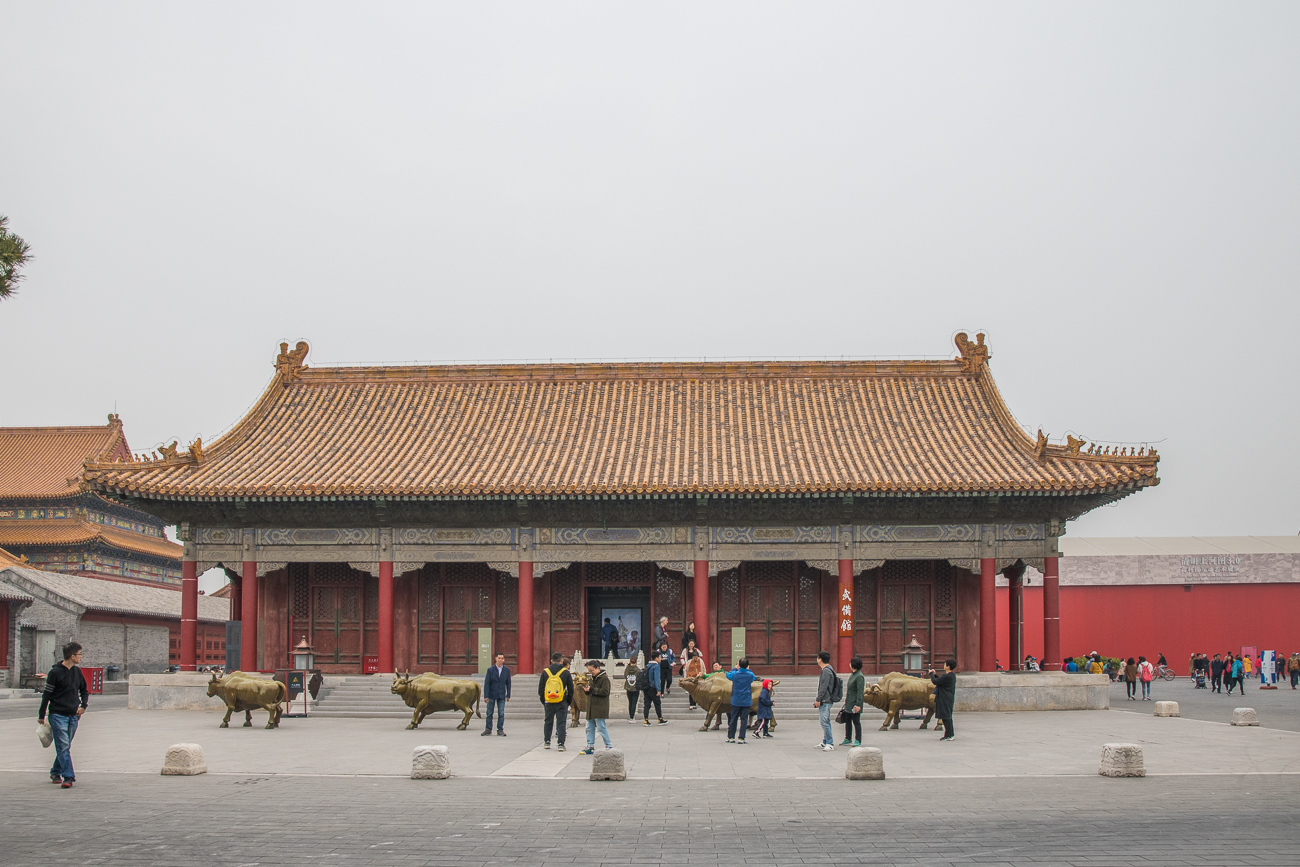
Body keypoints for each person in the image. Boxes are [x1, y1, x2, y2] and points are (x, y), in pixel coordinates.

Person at [38, 641, 87, 788]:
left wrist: (83, 706)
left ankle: (55, 771)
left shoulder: (77, 672)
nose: (81, 657)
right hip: (57, 715)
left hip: (73, 715)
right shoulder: (55, 673)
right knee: (63, 746)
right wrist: (41, 714)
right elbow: (46, 695)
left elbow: (84, 690)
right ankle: (68, 777)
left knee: (65, 746)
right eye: (79, 654)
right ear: (72, 656)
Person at [537, 652, 573, 751]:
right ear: (562, 661)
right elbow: (571, 688)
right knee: (561, 722)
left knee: (548, 721)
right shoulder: (565, 672)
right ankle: (561, 744)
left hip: (548, 701)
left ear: (551, 661)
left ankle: (547, 742)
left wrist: (544, 700)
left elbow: (541, 688)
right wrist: (568, 701)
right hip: (561, 701)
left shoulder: (546, 672)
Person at [579, 660, 612, 754]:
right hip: (591, 707)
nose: (591, 673)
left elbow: (605, 691)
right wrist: (587, 690)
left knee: (601, 727)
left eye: (592, 670)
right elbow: (591, 691)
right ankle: (590, 746)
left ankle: (608, 745)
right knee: (589, 727)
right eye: (589, 671)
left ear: (598, 668)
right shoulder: (592, 679)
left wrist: (592, 689)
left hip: (600, 707)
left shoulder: (604, 678)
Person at [724, 658, 755, 744]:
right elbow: (753, 677)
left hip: (736, 700)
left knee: (733, 719)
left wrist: (735, 668)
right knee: (744, 719)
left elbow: (727, 675)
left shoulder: (734, 674)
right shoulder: (750, 675)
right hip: (746, 700)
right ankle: (741, 738)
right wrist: (747, 669)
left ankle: (731, 737)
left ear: (739, 665)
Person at [813, 650, 838, 751]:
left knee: (824, 721)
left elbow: (823, 687)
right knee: (825, 720)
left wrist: (819, 699)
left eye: (818, 657)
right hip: (826, 699)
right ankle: (825, 740)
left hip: (826, 700)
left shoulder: (826, 671)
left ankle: (829, 742)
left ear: (820, 659)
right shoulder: (828, 669)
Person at [482, 652, 511, 736]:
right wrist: (486, 696)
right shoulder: (490, 670)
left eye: (502, 658)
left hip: (501, 694)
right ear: (495, 659)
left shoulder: (506, 670)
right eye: (499, 658)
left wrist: (508, 694)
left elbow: (508, 683)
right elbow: (487, 683)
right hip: (491, 693)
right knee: (489, 712)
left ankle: (500, 729)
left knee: (501, 713)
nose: (500, 660)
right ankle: (488, 728)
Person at [929, 657, 957, 742]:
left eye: (945, 664)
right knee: (947, 717)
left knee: (946, 717)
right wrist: (935, 675)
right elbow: (939, 681)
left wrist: (931, 674)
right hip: (947, 698)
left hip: (945, 698)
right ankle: (949, 734)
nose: (944, 665)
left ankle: (949, 735)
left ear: (948, 666)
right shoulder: (951, 676)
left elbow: (935, 682)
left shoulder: (948, 676)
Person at [840, 656, 865, 746]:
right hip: (849, 702)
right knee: (847, 720)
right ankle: (848, 738)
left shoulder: (859, 676)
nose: (849, 665)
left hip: (855, 703)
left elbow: (860, 691)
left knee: (856, 721)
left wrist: (858, 704)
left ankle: (858, 739)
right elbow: (850, 690)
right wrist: (846, 700)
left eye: (851, 663)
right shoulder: (853, 675)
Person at [641, 649, 666, 725]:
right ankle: (660, 719)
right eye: (659, 657)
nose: (660, 659)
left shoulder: (647, 665)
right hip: (653, 687)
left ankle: (646, 720)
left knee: (647, 704)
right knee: (657, 703)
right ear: (656, 658)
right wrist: (659, 689)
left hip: (646, 687)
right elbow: (657, 678)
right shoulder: (656, 666)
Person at [680, 640, 705, 708]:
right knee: (691, 691)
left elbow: (704, 669)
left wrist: (704, 676)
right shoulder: (688, 660)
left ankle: (695, 703)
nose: (695, 658)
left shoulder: (701, 661)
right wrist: (685, 678)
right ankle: (691, 704)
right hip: (690, 677)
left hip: (698, 678)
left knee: (696, 691)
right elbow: (686, 670)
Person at [623, 656, 641, 723]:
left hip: (628, 687)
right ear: (636, 662)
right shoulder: (637, 669)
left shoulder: (627, 669)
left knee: (630, 702)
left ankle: (630, 716)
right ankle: (632, 717)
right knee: (634, 703)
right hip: (635, 688)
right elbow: (639, 677)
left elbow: (625, 676)